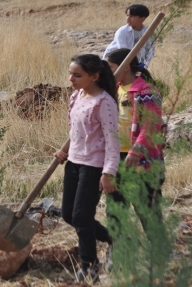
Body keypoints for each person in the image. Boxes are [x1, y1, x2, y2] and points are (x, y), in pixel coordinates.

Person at [53, 54, 120, 283]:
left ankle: (89, 266)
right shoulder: (76, 96)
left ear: (94, 77)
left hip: (93, 166)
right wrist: (64, 152)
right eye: (71, 73)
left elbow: (112, 141)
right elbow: (76, 131)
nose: (70, 78)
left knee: (82, 216)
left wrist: (108, 172)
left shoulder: (104, 103)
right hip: (73, 162)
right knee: (68, 215)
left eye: (77, 75)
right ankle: (116, 238)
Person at [104, 48, 166, 269]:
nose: (107, 73)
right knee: (114, 209)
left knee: (146, 209)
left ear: (125, 66)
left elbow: (151, 125)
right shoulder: (113, 91)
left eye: (110, 68)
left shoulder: (145, 91)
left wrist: (136, 151)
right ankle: (117, 252)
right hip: (115, 160)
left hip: (142, 162)